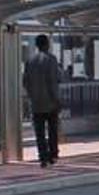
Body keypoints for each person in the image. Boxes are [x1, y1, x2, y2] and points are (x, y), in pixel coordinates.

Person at [23, 35, 61, 168]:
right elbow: (53, 81)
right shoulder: (51, 59)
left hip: (36, 103)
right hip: (50, 102)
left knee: (39, 133)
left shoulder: (30, 60)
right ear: (47, 44)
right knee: (52, 130)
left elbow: (25, 82)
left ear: (37, 45)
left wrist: (31, 96)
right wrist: (57, 100)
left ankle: (42, 157)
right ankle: (52, 155)